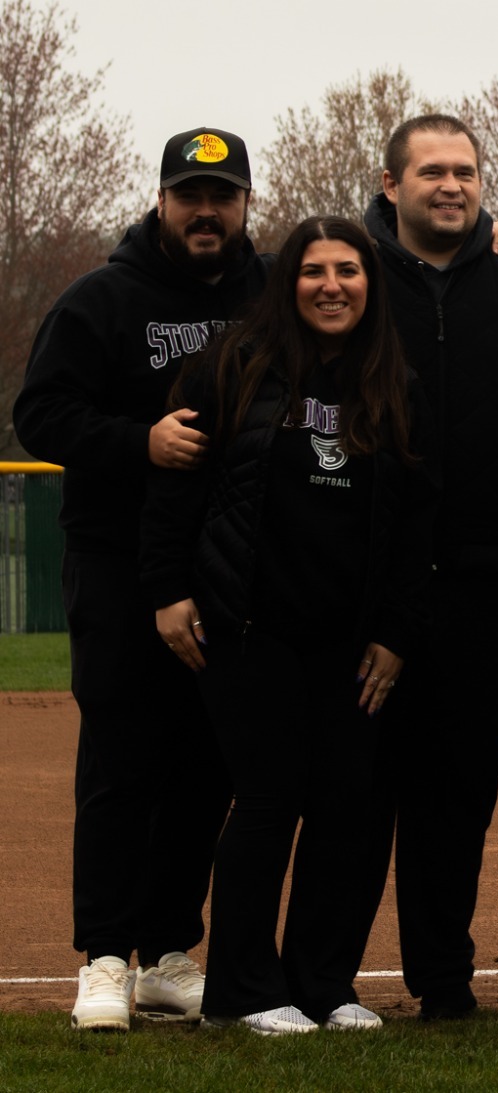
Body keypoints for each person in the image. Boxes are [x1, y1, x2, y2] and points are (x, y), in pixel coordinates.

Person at [140, 216, 434, 1034]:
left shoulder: (394, 381)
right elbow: (174, 489)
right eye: (314, 270)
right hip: (245, 626)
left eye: (348, 270)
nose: (331, 285)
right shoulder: (230, 364)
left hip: (352, 637)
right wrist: (166, 588)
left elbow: (415, 521)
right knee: (269, 799)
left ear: (370, 285)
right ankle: (241, 991)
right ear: (288, 282)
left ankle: (321, 982)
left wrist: (396, 631)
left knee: (343, 806)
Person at [15, 128, 264, 1031]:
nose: (207, 211)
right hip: (119, 565)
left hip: (230, 567)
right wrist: (137, 440)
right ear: (161, 200)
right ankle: (104, 956)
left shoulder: (269, 294)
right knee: (122, 761)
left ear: (245, 204)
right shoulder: (102, 298)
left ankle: (165, 953)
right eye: (190, 195)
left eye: (223, 196)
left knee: (206, 765)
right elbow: (40, 413)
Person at [354, 115, 498, 1019]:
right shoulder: (349, 270)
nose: (451, 185)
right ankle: (322, 976)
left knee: (459, 791)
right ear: (392, 185)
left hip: (480, 581)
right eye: (431, 171)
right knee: (355, 789)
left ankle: (443, 975)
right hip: (364, 582)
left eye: (465, 171)